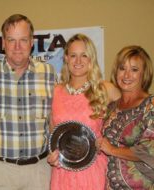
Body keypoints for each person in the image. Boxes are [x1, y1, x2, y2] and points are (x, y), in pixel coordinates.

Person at [0, 14, 56, 190]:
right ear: (3, 42)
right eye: (11, 40)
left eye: (23, 40)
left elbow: (56, 119)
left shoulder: (49, 74)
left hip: (39, 172)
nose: (18, 47)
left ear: (32, 42)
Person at [47, 33, 120, 190]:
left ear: (91, 59)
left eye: (84, 55)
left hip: (94, 173)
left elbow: (128, 123)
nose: (78, 61)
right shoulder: (55, 92)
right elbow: (53, 135)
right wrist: (52, 156)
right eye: (73, 55)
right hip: (62, 173)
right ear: (66, 58)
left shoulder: (106, 89)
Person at [99, 45, 154, 189]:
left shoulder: (153, 105)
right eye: (122, 68)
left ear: (143, 73)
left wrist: (112, 150)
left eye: (134, 70)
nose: (126, 75)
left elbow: (152, 152)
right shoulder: (111, 108)